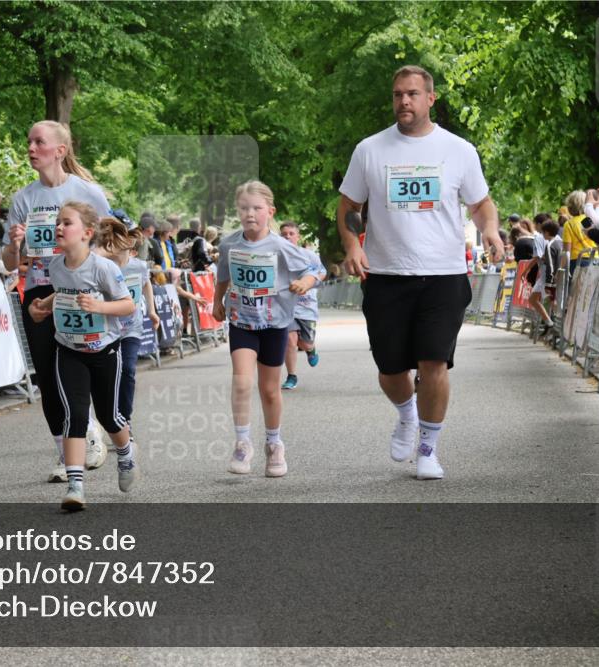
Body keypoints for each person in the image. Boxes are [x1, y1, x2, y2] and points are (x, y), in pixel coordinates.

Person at [337, 65, 502, 481]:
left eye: (412, 94)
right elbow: (349, 209)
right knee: (391, 370)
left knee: (434, 363)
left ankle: (428, 448)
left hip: (444, 275)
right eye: (397, 95)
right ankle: (406, 412)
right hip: (387, 275)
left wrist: (490, 230)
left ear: (431, 98)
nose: (403, 101)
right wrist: (354, 244)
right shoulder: (370, 150)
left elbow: (481, 204)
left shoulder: (459, 150)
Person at [0, 120, 113, 481]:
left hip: (78, 290)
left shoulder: (88, 193)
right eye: (28, 141)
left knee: (80, 369)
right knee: (48, 375)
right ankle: (66, 454)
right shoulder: (23, 199)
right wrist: (15, 244)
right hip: (37, 292)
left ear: (60, 151)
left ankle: (92, 426)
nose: (31, 148)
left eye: (39, 142)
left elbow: (109, 244)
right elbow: (7, 263)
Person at [27, 202, 138, 511]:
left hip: (104, 350)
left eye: (67, 223)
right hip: (69, 350)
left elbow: (127, 305)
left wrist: (99, 307)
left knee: (109, 416)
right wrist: (43, 307)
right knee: (74, 414)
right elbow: (63, 291)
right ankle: (76, 485)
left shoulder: (103, 268)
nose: (59, 228)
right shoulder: (56, 266)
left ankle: (126, 454)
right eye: (57, 223)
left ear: (87, 233)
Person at [212, 181, 323, 478]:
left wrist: (305, 283)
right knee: (241, 381)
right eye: (244, 208)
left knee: (270, 390)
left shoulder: (282, 247)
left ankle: (274, 444)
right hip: (242, 321)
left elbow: (316, 270)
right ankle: (242, 442)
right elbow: (223, 275)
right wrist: (216, 301)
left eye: (257, 208)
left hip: (274, 324)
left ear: (270, 212)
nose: (250, 214)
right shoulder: (229, 244)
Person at [94, 217, 158, 429]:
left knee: (128, 369)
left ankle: (124, 419)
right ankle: (108, 417)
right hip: (108, 329)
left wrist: (152, 310)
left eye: (128, 247)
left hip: (132, 327)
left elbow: (146, 283)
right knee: (109, 375)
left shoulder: (138, 266)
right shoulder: (103, 267)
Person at [278, 221, 326, 390]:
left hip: (306, 307)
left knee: (304, 343)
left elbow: (322, 272)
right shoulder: (276, 256)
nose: (288, 237)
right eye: (284, 234)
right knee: (289, 340)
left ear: (298, 237)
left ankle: (311, 349)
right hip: (286, 307)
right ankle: (292, 376)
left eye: (291, 233)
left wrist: (309, 283)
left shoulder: (309, 255)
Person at [524, 219, 561, 335]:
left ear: (547, 232)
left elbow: (550, 264)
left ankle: (553, 324)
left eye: (543, 232)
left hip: (548, 277)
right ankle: (551, 323)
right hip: (554, 276)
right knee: (548, 300)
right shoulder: (559, 242)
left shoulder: (550, 245)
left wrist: (549, 283)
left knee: (549, 300)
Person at [561, 190, 598, 274]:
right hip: (595, 259)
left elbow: (566, 252)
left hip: (577, 262)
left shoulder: (569, 224)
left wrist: (561, 269)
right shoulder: (591, 219)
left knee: (577, 287)